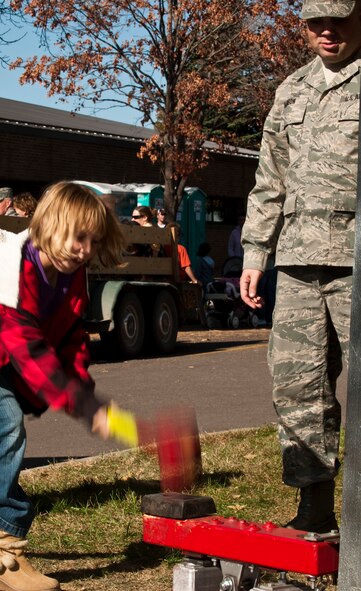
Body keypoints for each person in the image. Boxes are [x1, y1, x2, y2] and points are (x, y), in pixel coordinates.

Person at [0, 181, 140, 591]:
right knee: (6, 423)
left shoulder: (71, 274)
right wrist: (81, 405)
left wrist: (84, 391)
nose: (84, 250)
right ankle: (4, 550)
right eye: (78, 237)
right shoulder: (13, 271)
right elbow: (26, 347)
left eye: (92, 241)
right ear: (49, 225)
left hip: (4, 358)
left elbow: (71, 338)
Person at [240, 0, 361, 534]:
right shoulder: (290, 89)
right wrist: (253, 254)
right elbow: (270, 180)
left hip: (356, 259)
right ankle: (314, 507)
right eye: (316, 22)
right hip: (296, 265)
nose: (327, 31)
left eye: (339, 18)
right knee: (297, 386)